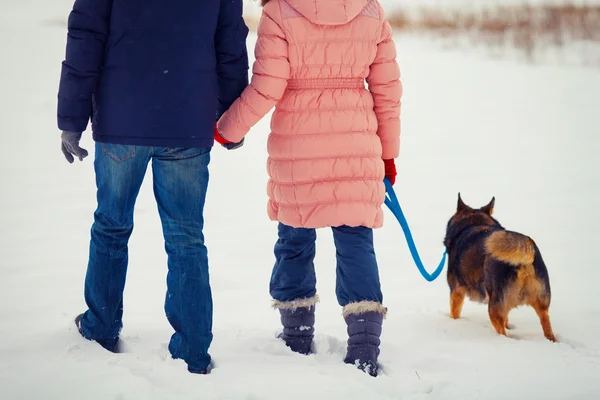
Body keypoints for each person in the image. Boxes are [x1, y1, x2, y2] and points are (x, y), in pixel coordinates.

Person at [57, 0, 249, 374]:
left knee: (111, 227)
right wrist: (232, 113)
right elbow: (230, 43)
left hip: (122, 119)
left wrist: (72, 119)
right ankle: (193, 348)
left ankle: (100, 329)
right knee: (186, 238)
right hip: (186, 124)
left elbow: (86, 37)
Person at [216, 0, 401, 377]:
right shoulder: (370, 10)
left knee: (295, 238)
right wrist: (388, 155)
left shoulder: (279, 11)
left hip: (298, 144)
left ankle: (296, 336)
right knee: (355, 241)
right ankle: (364, 344)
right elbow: (387, 91)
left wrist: (228, 128)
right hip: (356, 142)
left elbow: (268, 85)